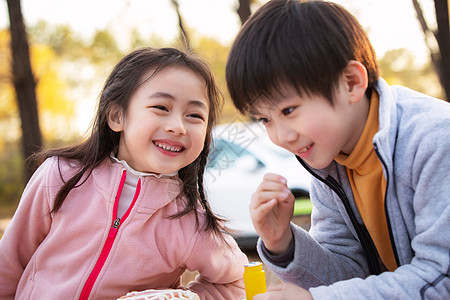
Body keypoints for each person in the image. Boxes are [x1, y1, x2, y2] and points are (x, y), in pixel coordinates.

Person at [225, 0, 450, 299]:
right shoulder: (331, 160)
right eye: (265, 119)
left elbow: (441, 277)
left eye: (289, 110)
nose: (281, 136)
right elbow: (349, 274)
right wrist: (283, 243)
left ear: (351, 83)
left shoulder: (434, 140)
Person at [0, 47, 248, 300]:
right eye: (161, 107)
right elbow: (7, 264)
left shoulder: (190, 221)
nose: (177, 126)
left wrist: (184, 297)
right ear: (117, 116)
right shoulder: (60, 176)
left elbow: (243, 281)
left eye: (195, 115)